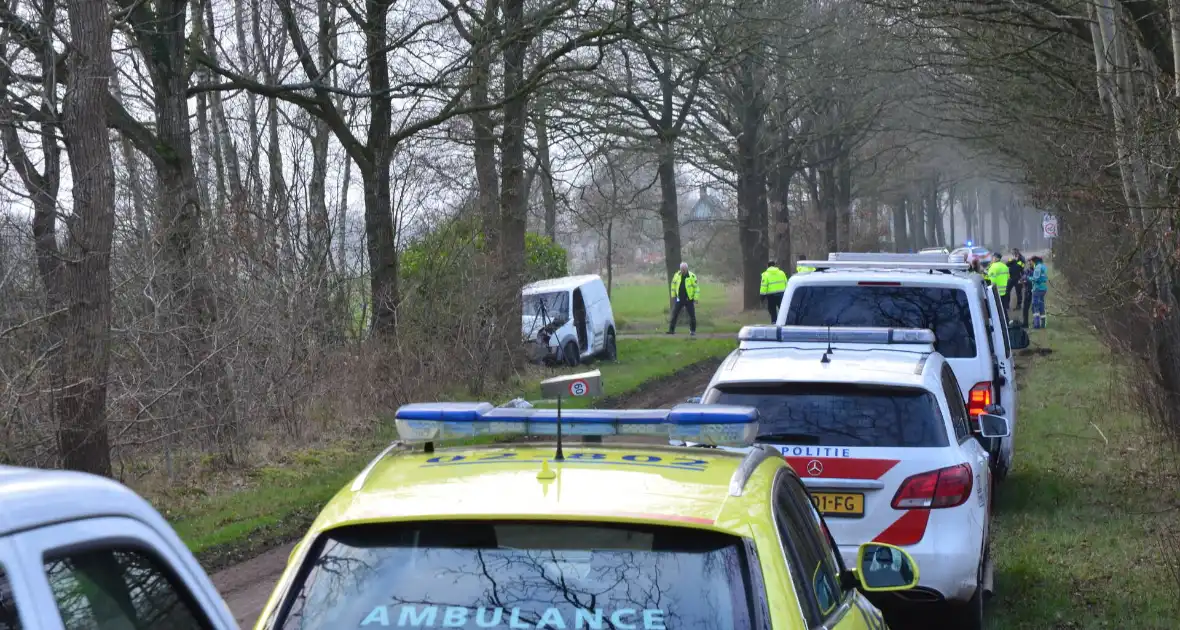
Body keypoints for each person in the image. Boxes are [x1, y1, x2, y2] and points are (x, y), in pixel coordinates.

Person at [667, 262, 699, 336]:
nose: (683, 271)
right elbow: (673, 285)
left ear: (687, 269)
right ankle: (671, 330)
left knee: (692, 316)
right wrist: (673, 296)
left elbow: (696, 288)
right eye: (681, 269)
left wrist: (696, 298)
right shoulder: (677, 275)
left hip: (689, 299)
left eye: (684, 269)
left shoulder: (692, 276)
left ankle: (692, 331)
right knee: (674, 314)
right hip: (679, 299)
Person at [986, 252, 1011, 318]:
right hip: (1005, 291)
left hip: (996, 292)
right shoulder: (1005, 266)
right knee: (1004, 309)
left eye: (993, 257)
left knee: (997, 310)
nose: (992, 259)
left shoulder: (993, 267)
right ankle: (1007, 322)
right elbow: (1008, 278)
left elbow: (992, 282)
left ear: (997, 258)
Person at [1029, 256, 1048, 328]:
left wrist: (1028, 278)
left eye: (1031, 261)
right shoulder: (1043, 267)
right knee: (1041, 305)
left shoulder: (1037, 267)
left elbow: (1035, 279)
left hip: (1037, 288)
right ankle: (1043, 324)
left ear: (1034, 261)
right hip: (1043, 288)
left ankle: (1036, 324)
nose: (1030, 263)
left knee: (1035, 306)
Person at [1007, 249, 1026, 316]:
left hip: (1018, 277)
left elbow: (1022, 266)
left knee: (1018, 292)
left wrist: (1015, 261)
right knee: (1007, 291)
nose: (1013, 254)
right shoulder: (1012, 258)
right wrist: (1013, 260)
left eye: (1014, 253)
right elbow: (1007, 264)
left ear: (1017, 253)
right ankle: (1007, 305)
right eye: (1012, 253)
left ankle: (1019, 305)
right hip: (1011, 277)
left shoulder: (1022, 258)